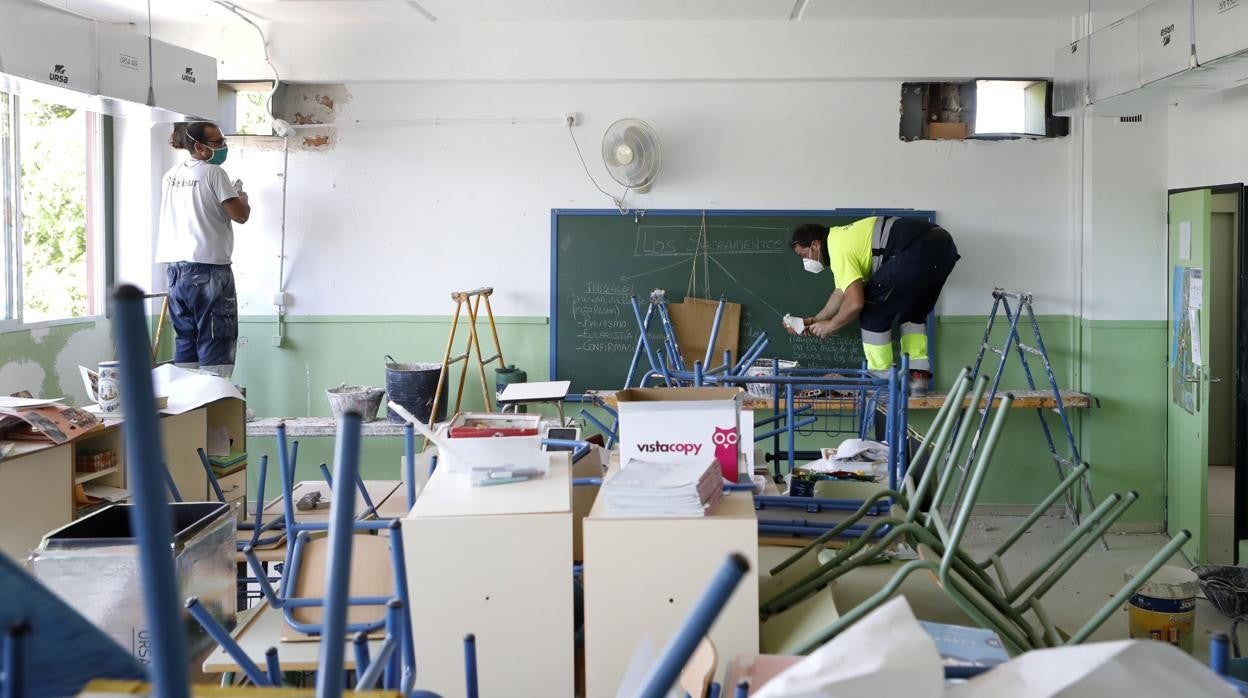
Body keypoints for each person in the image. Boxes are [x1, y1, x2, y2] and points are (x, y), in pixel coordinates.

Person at [789, 216, 959, 395]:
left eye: (803, 255)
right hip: (944, 249)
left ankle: (882, 380)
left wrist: (831, 326)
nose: (805, 261)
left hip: (916, 250)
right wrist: (816, 320)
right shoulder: (842, 239)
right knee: (913, 314)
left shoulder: (837, 247)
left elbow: (855, 303)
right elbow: (841, 292)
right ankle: (918, 379)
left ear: (815, 245)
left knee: (871, 311)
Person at [155, 121, 250, 379]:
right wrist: (242, 199)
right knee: (216, 338)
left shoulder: (171, 175)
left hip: (176, 272)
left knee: (187, 339)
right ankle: (215, 406)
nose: (223, 147)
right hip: (209, 269)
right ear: (199, 146)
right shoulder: (213, 174)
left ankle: (191, 410)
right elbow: (240, 216)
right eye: (218, 142)